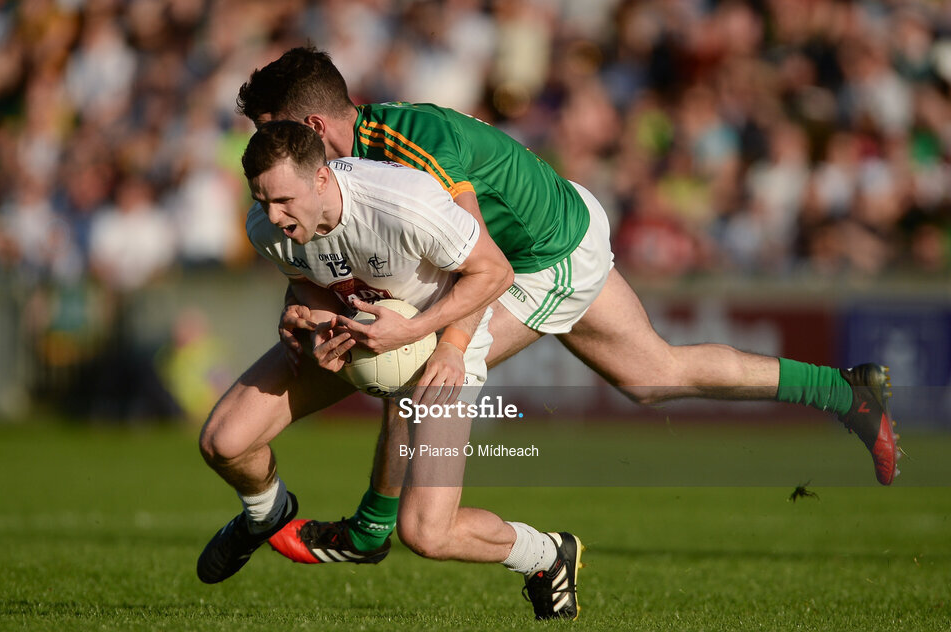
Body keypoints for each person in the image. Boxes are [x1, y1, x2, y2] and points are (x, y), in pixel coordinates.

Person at [237, 47, 901, 567]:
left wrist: (445, 342)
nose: (268, 155)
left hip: (543, 256)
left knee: (419, 366)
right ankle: (846, 391)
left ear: (314, 127)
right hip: (558, 221)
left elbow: (483, 263)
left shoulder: (411, 151)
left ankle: (371, 528)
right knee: (658, 376)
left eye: (274, 135)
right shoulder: (353, 161)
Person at [196, 120, 582, 621]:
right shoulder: (264, 226)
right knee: (223, 442)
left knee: (428, 533)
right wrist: (311, 317)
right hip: (353, 334)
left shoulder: (402, 202)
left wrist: (451, 345)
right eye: (263, 200)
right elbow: (306, 279)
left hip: (443, 343)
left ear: (321, 178)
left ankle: (548, 556)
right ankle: (265, 512)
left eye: (285, 200)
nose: (275, 215)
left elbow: (493, 272)